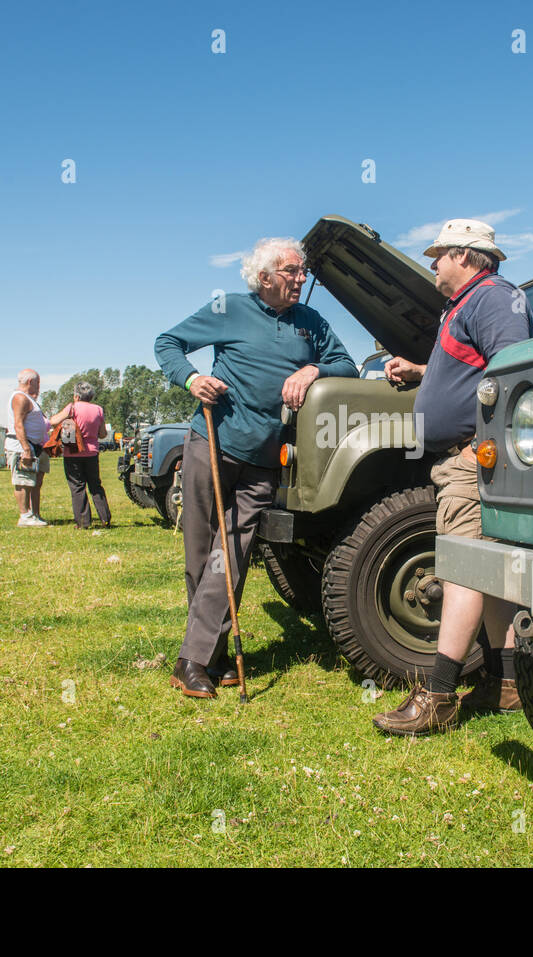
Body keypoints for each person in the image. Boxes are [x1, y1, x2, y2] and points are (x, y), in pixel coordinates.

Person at [154, 237, 358, 698]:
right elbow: (168, 342)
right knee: (202, 553)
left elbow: (346, 363)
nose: (301, 279)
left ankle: (194, 660)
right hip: (214, 442)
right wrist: (191, 377)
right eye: (292, 271)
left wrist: (314, 372)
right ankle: (214, 655)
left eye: (302, 271)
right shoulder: (229, 309)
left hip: (267, 460)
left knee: (233, 556)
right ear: (264, 277)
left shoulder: (311, 322)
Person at [372, 219, 533, 735]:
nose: (433, 263)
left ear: (465, 255)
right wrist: (423, 373)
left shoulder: (491, 298)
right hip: (469, 456)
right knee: (487, 572)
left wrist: (479, 454)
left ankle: (439, 696)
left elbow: (511, 372)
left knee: (461, 568)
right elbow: (474, 370)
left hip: (474, 459)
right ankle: (506, 684)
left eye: (439, 254)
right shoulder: (466, 304)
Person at [49, 381, 112, 529]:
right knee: (95, 486)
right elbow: (103, 434)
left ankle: (83, 522)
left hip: (73, 451)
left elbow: (53, 421)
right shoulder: (98, 409)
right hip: (92, 452)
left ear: (76, 396)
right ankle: (105, 518)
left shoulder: (72, 407)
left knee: (77, 486)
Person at [5, 369, 51, 528]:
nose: (39, 386)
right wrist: (25, 449)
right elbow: (18, 424)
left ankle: (34, 514)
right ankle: (25, 515)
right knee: (23, 481)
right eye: (38, 382)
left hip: (33, 445)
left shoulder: (28, 399)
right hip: (22, 446)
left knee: (32, 482)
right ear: (31, 382)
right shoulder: (20, 398)